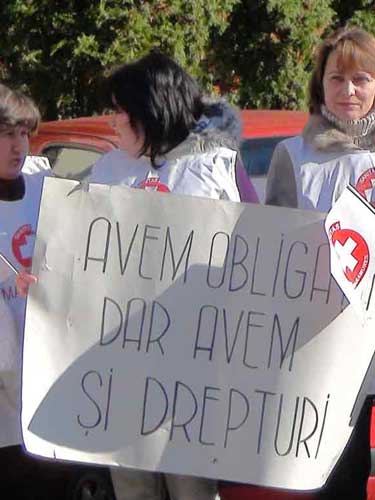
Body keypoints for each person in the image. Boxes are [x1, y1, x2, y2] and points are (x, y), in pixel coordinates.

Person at [86, 51, 258, 500]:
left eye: (122, 110)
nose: (114, 121)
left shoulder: (216, 168)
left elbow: (263, 251)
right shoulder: (106, 171)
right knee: (133, 489)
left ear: (152, 109)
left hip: (195, 372)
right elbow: (75, 252)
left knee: (191, 490)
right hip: (121, 371)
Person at [265, 26, 375, 500]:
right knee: (334, 474)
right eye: (337, 79)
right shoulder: (293, 156)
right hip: (321, 344)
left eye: (362, 79)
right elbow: (269, 252)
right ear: (320, 85)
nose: (348, 91)